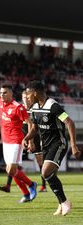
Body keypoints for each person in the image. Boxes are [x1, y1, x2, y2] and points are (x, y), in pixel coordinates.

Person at [23, 81, 81, 216]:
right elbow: (35, 128)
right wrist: (26, 138)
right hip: (46, 146)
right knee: (49, 175)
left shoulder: (53, 106)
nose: (27, 97)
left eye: (28, 94)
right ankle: (61, 203)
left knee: (45, 172)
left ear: (35, 93)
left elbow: (69, 123)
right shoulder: (35, 108)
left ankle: (65, 202)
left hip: (59, 143)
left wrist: (73, 145)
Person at [0, 68, 37, 203]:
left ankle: (31, 184)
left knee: (11, 169)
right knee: (11, 171)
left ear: (11, 93)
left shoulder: (18, 107)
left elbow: (30, 123)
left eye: (5, 93)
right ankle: (26, 194)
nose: (1, 95)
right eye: (1, 93)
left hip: (16, 141)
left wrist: (30, 141)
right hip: (5, 142)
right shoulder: (1, 103)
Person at [0, 91, 46, 193]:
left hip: (34, 139)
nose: (26, 99)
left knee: (40, 162)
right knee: (13, 165)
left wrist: (33, 141)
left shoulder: (36, 110)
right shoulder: (19, 108)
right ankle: (9, 185)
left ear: (31, 98)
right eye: (24, 97)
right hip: (20, 140)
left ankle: (44, 185)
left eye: (28, 98)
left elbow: (38, 127)